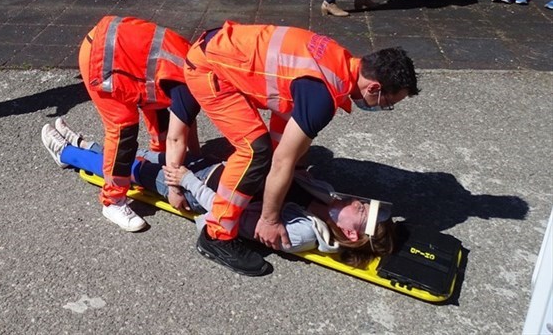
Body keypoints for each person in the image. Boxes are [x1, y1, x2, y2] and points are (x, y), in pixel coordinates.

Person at [183, 21, 418, 275]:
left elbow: (287, 115)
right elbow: (282, 161)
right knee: (255, 151)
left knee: (269, 156)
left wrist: (287, 172)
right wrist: (270, 219)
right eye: (387, 103)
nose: (382, 107)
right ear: (374, 87)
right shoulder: (323, 96)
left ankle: (251, 185)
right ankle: (216, 236)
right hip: (209, 69)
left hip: (218, 48)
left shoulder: (338, 63)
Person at [41, 119, 397, 268]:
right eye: (364, 203)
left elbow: (231, 214)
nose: (358, 202)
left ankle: (66, 153)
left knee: (135, 170)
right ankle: (85, 143)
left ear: (350, 234)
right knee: (144, 156)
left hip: (199, 189)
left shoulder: (301, 233)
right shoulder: (328, 197)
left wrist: (186, 181)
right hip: (219, 168)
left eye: (361, 211)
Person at [78, 16, 201, 231]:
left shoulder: (195, 68)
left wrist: (196, 155)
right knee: (123, 128)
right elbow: (177, 137)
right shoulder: (190, 85)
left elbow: (186, 119)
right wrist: (174, 190)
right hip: (100, 59)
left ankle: (156, 161)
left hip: (125, 57)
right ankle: (113, 201)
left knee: (160, 111)